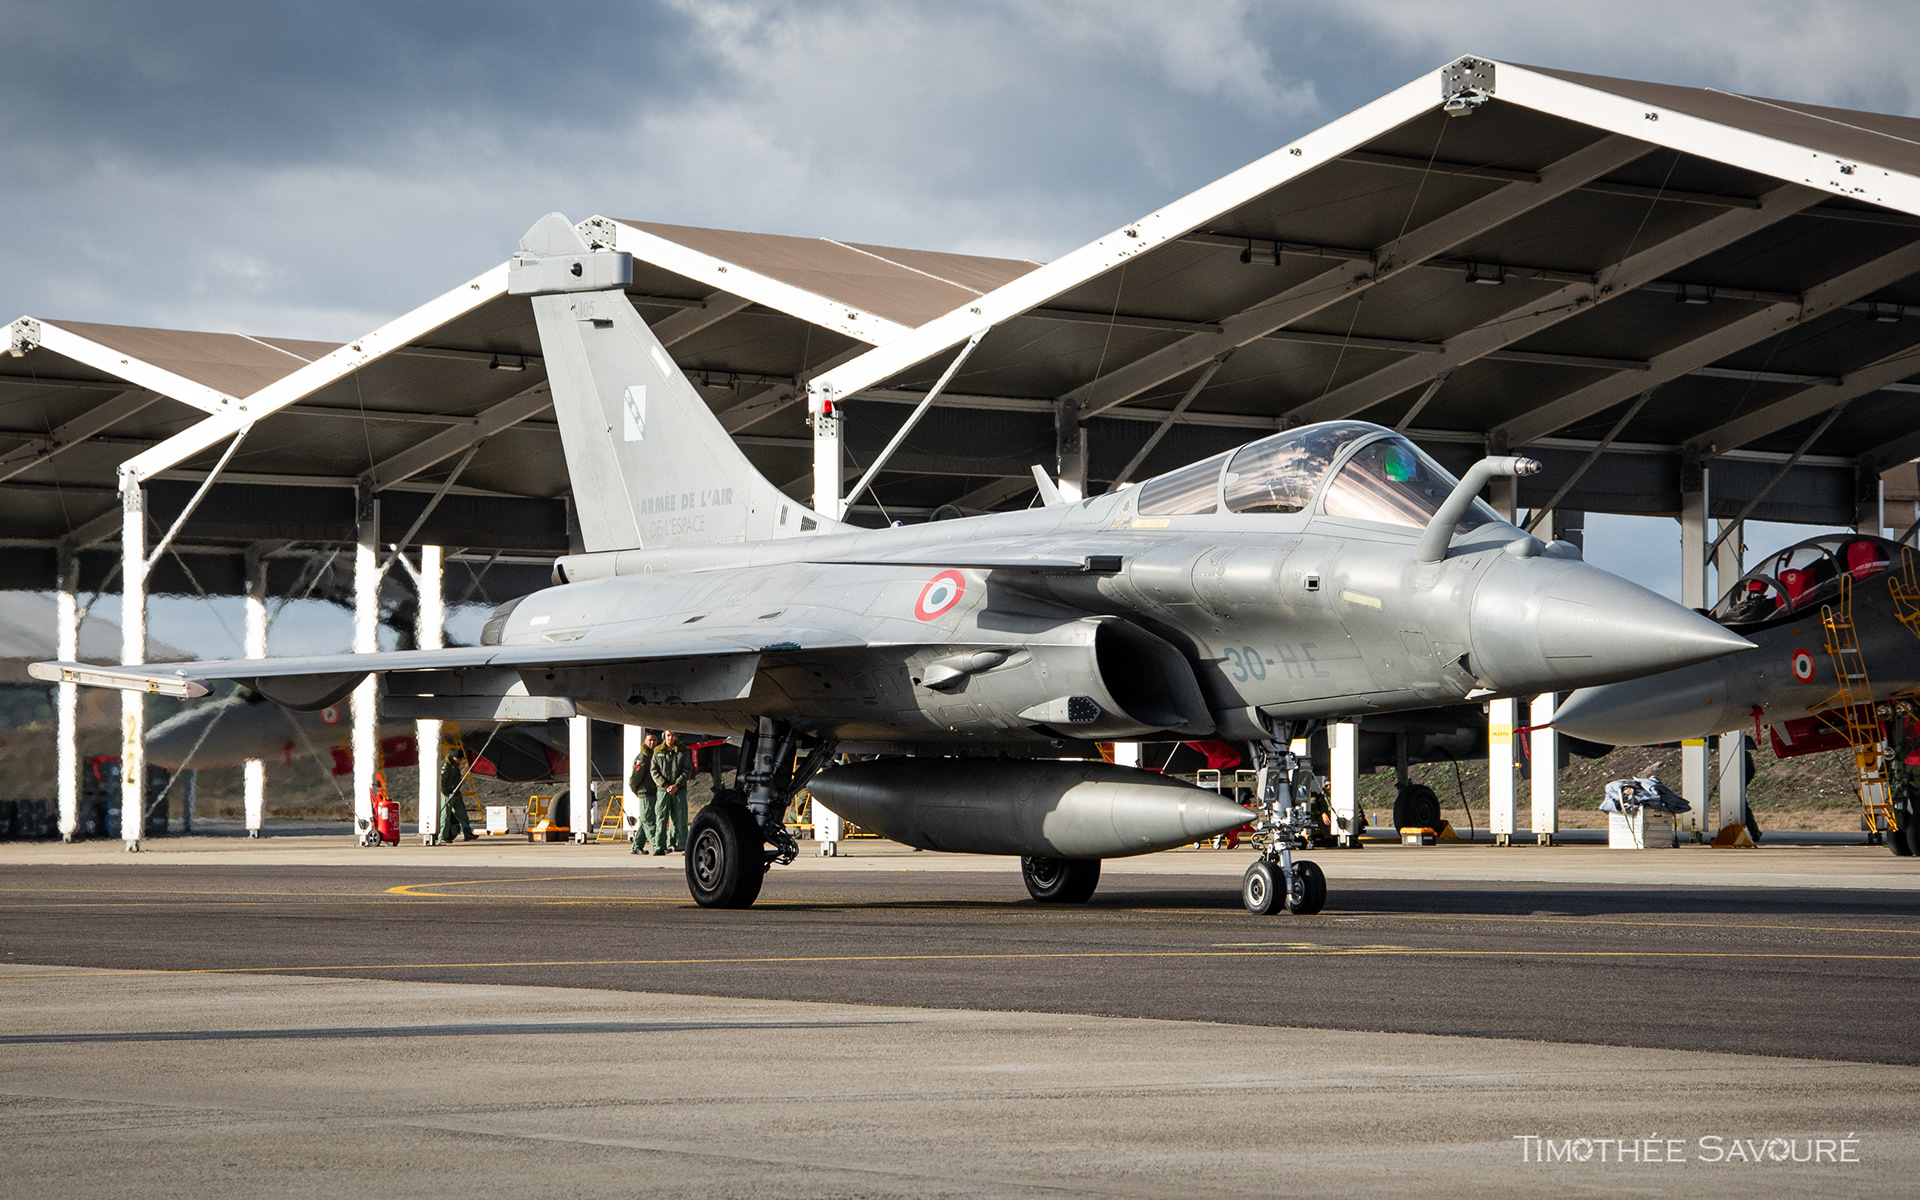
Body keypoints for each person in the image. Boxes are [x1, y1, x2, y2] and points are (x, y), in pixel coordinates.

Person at [650, 730, 694, 854]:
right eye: (668, 735)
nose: (671, 738)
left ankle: (683, 844)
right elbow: (654, 771)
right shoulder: (658, 752)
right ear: (664, 736)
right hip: (663, 790)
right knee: (661, 818)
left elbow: (687, 769)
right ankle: (660, 846)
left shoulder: (682, 751)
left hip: (679, 790)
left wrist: (676, 785)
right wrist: (665, 785)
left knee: (681, 817)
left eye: (673, 735)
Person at [628, 731, 659, 854]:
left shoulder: (655, 756)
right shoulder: (642, 758)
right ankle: (657, 844)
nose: (652, 743)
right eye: (650, 740)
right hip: (645, 793)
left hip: (653, 792)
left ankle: (636, 846)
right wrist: (638, 791)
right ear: (645, 741)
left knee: (644, 821)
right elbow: (635, 778)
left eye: (654, 740)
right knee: (648, 821)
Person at [435, 758, 475, 843]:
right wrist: (446, 793)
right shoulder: (446, 765)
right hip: (447, 794)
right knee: (445, 815)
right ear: (455, 757)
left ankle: (467, 832)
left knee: (462, 812)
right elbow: (442, 780)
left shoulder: (456, 765)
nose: (461, 761)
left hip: (456, 793)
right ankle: (442, 836)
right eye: (459, 759)